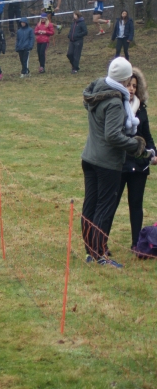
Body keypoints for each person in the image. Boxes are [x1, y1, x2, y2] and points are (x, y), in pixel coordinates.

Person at [81, 58, 147, 268]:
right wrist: (136, 145)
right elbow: (112, 136)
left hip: (90, 157)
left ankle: (90, 251)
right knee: (103, 206)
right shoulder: (114, 102)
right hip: (106, 162)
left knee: (90, 205)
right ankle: (99, 254)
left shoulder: (98, 91)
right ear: (125, 78)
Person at [106, 68, 157, 250]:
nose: (131, 89)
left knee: (136, 205)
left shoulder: (141, 109)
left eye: (134, 86)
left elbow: (147, 136)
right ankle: (102, 243)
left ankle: (137, 244)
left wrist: (154, 152)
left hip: (139, 165)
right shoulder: (115, 106)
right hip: (120, 165)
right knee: (111, 205)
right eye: (128, 85)